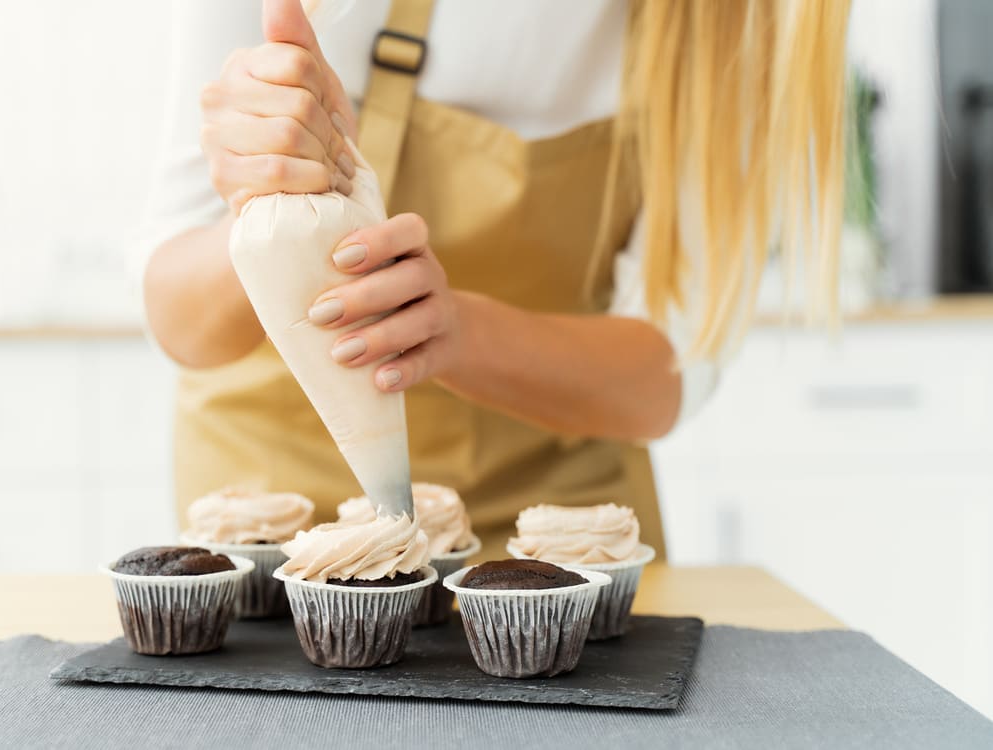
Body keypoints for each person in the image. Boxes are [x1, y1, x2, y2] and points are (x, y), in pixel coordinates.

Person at [137, 0, 850, 556]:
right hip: (276, 519)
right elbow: (179, 317)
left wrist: (457, 334)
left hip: (565, 536)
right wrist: (278, 212)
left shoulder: (736, 22)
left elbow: (666, 373)